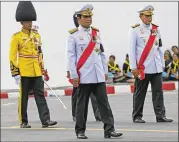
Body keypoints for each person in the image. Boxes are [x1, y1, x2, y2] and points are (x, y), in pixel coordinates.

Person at [67, 4, 123, 139]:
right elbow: (71, 56)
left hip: (97, 75)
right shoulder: (73, 35)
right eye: (85, 17)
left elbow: (101, 53)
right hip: (83, 76)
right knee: (82, 105)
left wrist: (104, 70)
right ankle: (80, 130)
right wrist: (74, 75)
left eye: (90, 16)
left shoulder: (96, 33)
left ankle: (109, 129)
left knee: (104, 103)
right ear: (78, 18)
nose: (89, 19)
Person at [9, 1, 57, 128]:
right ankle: (23, 121)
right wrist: (15, 73)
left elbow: (40, 53)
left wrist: (42, 70)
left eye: (31, 21)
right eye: (27, 21)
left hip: (36, 70)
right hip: (24, 70)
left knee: (40, 95)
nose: (30, 23)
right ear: (22, 23)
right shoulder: (16, 37)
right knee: (23, 98)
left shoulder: (36, 35)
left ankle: (45, 120)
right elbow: (12, 56)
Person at [128, 5, 173, 123]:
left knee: (158, 93)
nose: (149, 18)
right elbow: (131, 50)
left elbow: (160, 47)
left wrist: (162, 64)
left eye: (150, 16)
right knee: (140, 93)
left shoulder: (156, 29)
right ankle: (137, 115)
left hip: (156, 66)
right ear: (141, 16)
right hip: (143, 68)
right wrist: (133, 67)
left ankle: (160, 115)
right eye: (147, 16)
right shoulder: (135, 30)